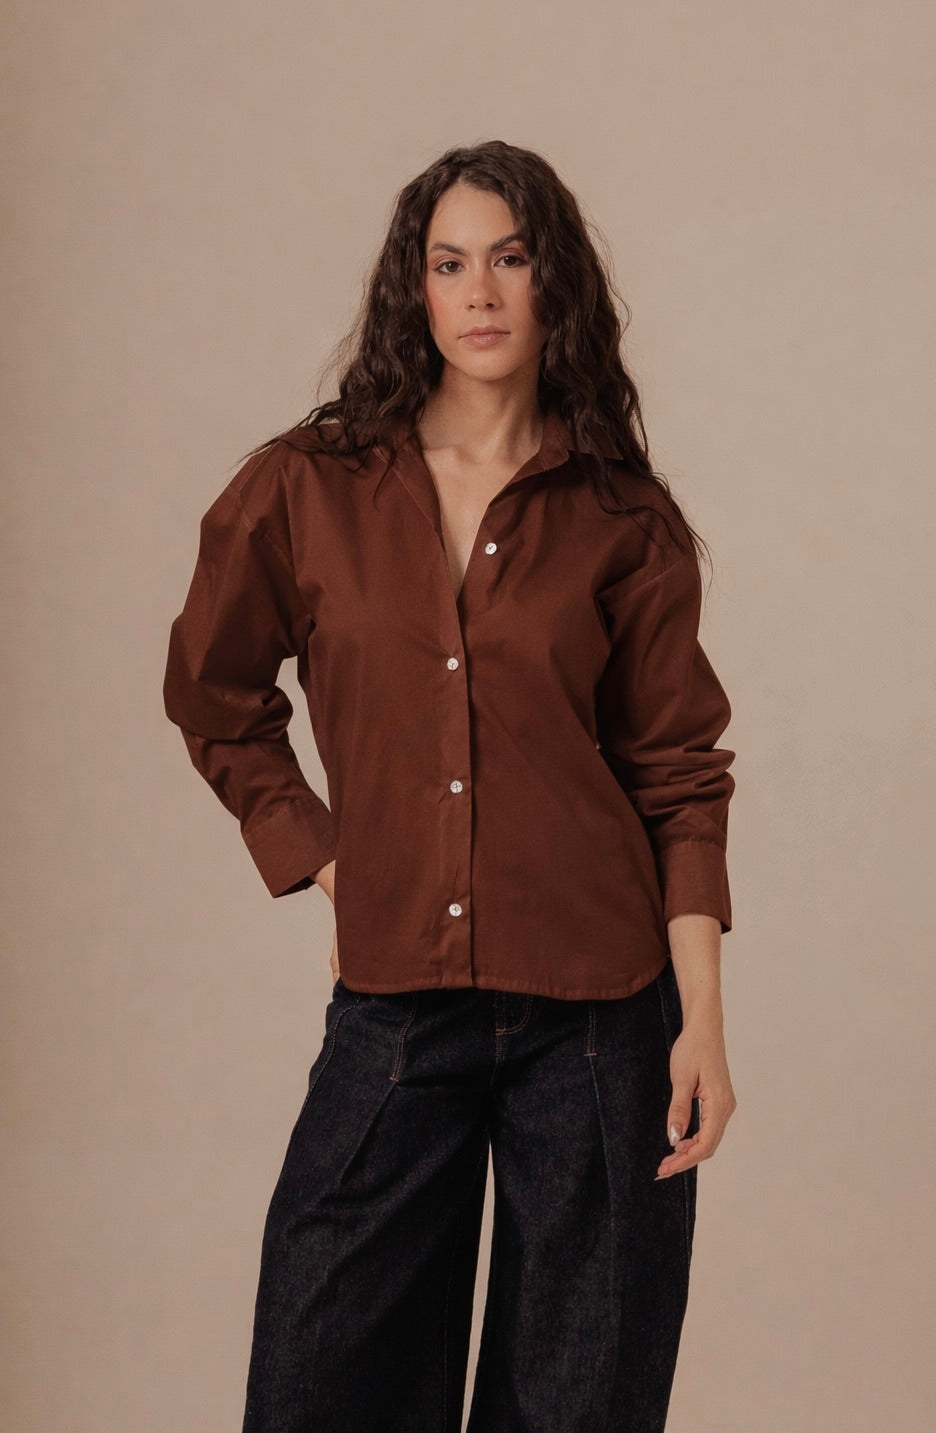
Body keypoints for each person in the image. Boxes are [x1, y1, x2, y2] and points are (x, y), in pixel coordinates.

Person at [162, 138, 739, 1433]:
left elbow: (677, 774)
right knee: (319, 1382)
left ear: (555, 283)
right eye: (449, 263)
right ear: (412, 289)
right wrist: (328, 861)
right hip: (397, 1006)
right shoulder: (307, 488)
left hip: (602, 1019)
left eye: (511, 258)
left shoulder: (621, 517)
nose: (480, 292)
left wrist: (701, 1018)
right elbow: (213, 690)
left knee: (579, 1404)